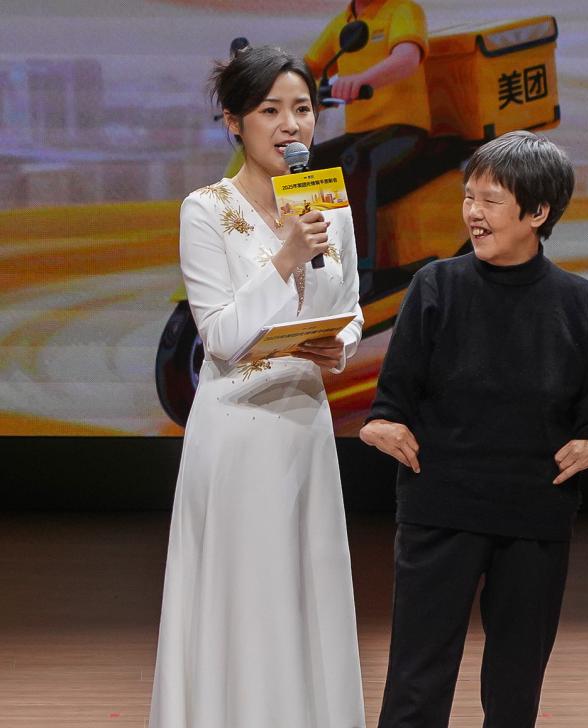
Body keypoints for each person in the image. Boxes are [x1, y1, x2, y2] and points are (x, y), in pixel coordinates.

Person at [359, 130, 588, 727]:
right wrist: (381, 425)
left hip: (534, 514)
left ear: (537, 213)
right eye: (468, 197)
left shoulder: (579, 301)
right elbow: (391, 401)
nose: (473, 213)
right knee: (417, 679)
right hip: (440, 507)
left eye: (491, 201)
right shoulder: (436, 285)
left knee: (515, 687)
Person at [149, 45, 365, 728]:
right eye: (270, 110)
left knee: (305, 586)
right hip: (236, 426)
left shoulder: (327, 201)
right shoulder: (205, 209)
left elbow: (351, 305)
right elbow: (218, 336)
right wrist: (286, 258)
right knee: (243, 593)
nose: (290, 125)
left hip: (305, 420)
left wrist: (341, 343)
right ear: (234, 122)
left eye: (302, 108)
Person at [305, 0, 431, 295]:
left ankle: (362, 271)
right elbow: (308, 67)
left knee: (357, 160)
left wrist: (360, 80)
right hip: (360, 133)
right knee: (307, 164)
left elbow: (407, 59)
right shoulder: (343, 23)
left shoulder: (402, 11)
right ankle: (316, 259)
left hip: (404, 129)